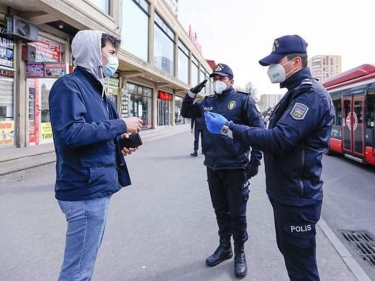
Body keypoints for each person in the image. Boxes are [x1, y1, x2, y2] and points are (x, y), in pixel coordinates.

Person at [204, 35, 335, 281]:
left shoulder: (310, 96)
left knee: (302, 270)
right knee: (292, 259)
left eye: (277, 61)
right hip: (286, 195)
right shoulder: (293, 93)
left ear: (296, 62)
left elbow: (277, 139)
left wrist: (227, 128)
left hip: (298, 199)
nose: (272, 68)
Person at [49, 30, 143, 281]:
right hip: (83, 190)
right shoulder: (68, 86)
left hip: (97, 186)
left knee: (84, 266)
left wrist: (119, 143)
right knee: (77, 271)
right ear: (93, 52)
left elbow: (96, 134)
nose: (114, 60)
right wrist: (121, 125)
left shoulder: (99, 91)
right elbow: (70, 134)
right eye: (111, 53)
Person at [181, 63, 264, 278]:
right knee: (220, 210)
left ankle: (240, 252)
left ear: (231, 81)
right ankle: (224, 246)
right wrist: (192, 92)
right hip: (213, 166)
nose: (217, 81)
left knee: (238, 213)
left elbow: (258, 129)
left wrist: (255, 159)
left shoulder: (243, 101)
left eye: (222, 77)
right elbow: (186, 110)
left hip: (236, 167)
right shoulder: (207, 102)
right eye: (214, 77)